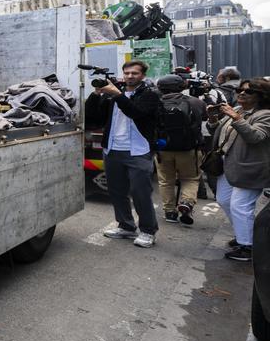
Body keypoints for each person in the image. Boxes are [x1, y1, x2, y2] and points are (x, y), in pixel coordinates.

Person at [85, 59, 162, 248]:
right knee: (117, 191)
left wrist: (117, 95)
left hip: (138, 150)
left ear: (142, 75)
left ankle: (148, 230)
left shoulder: (150, 94)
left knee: (140, 192)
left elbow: (135, 112)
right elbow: (93, 118)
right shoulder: (113, 95)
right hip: (112, 149)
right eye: (127, 73)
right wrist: (96, 95)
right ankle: (126, 226)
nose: (129, 76)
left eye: (134, 73)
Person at [206, 78, 270, 262]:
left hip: (250, 168)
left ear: (261, 96)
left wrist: (235, 117)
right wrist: (212, 118)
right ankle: (245, 236)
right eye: (240, 90)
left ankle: (248, 246)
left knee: (240, 206)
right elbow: (219, 132)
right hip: (229, 165)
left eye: (248, 91)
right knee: (224, 200)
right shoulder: (239, 110)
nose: (241, 93)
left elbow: (255, 136)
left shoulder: (265, 114)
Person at [155, 74, 206, 225]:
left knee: (166, 181)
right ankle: (186, 203)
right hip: (189, 149)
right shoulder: (196, 102)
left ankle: (169, 212)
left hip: (163, 149)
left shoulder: (156, 103)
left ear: (160, 88)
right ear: (182, 86)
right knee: (190, 178)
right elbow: (202, 120)